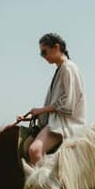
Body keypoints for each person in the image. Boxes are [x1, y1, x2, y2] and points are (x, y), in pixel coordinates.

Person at [18, 33, 85, 165]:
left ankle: (44, 185)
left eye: (44, 52)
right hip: (56, 122)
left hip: (64, 125)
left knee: (35, 151)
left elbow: (67, 104)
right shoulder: (61, 69)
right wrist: (32, 116)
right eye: (41, 54)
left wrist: (40, 110)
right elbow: (57, 104)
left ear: (56, 47)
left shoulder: (68, 68)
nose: (43, 56)